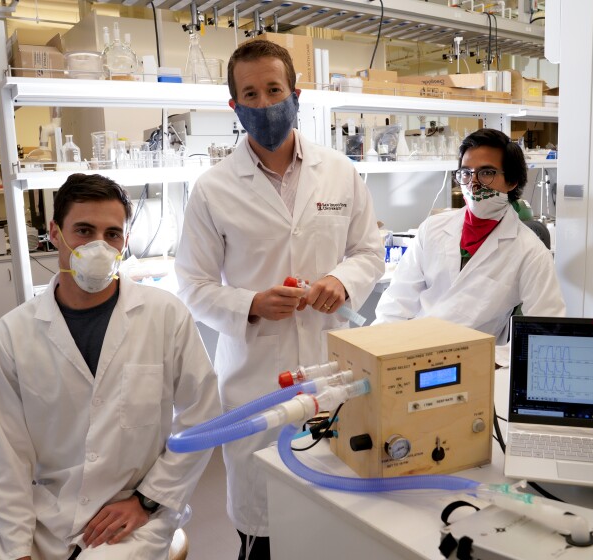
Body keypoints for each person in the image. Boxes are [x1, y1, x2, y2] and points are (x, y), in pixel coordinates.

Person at [174, 40, 385, 559]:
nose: (265, 103)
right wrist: (250, 304)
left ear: (296, 93)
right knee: (264, 529)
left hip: (331, 370)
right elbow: (193, 285)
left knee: (337, 520)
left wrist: (342, 281)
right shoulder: (213, 189)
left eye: (274, 89)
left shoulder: (339, 172)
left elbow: (368, 251)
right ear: (234, 105)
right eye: (250, 94)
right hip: (256, 380)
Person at [0, 174, 221, 560]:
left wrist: (148, 500)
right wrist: (16, 547)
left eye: (112, 234)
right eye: (83, 231)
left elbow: (203, 416)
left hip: (133, 512)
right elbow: (9, 456)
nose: (99, 246)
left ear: (125, 241)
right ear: (55, 233)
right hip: (49, 513)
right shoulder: (12, 334)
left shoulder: (164, 315)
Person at [374, 128, 565, 345]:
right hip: (417, 348)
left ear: (512, 181)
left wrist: (497, 357)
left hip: (480, 357)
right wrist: (377, 346)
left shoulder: (530, 251)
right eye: (466, 173)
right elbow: (397, 300)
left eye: (486, 173)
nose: (473, 183)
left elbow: (544, 328)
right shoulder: (432, 229)